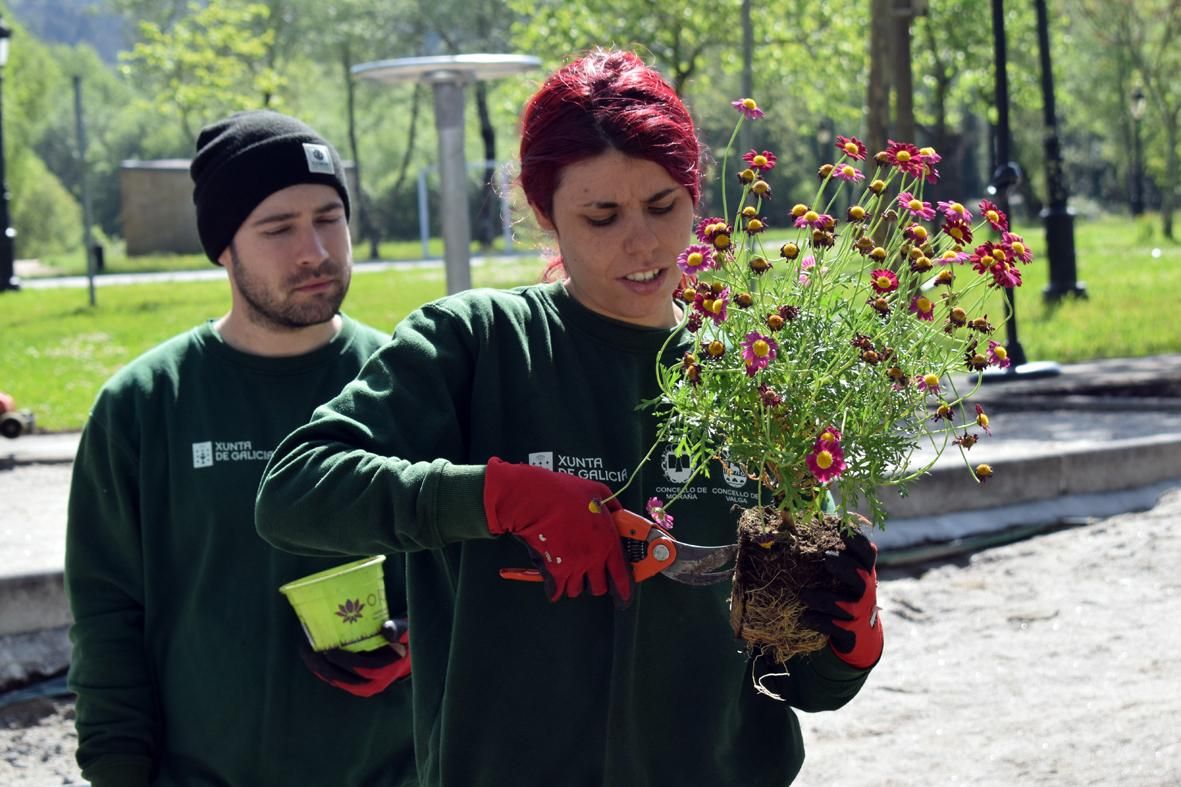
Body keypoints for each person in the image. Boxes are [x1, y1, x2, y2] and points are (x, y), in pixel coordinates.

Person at [256, 50, 882, 786]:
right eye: (601, 215)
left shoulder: (756, 380)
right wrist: (497, 496)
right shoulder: (475, 343)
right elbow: (294, 490)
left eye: (662, 205)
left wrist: (849, 643)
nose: (642, 243)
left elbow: (794, 683)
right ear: (544, 210)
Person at [64, 110, 414, 787]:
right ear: (223, 246)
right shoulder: (144, 404)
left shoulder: (409, 382)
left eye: (329, 217)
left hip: (392, 769)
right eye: (278, 228)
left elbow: (477, 582)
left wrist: (419, 641)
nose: (314, 249)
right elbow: (107, 619)